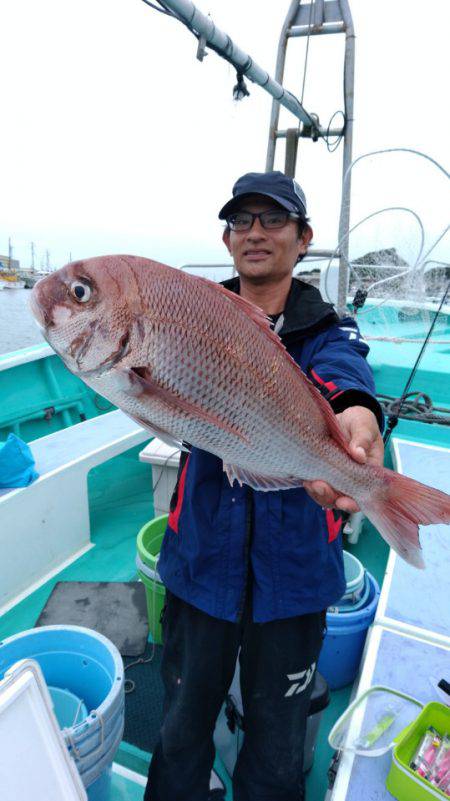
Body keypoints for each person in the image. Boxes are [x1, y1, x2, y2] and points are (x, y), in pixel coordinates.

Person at [144, 171, 384, 801]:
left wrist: (356, 414)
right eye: (241, 221)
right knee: (179, 732)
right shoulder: (193, 318)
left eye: (272, 220)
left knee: (278, 749)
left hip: (295, 578)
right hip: (200, 563)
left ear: (303, 239)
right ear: (226, 240)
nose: (254, 233)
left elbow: (344, 374)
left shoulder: (330, 328)